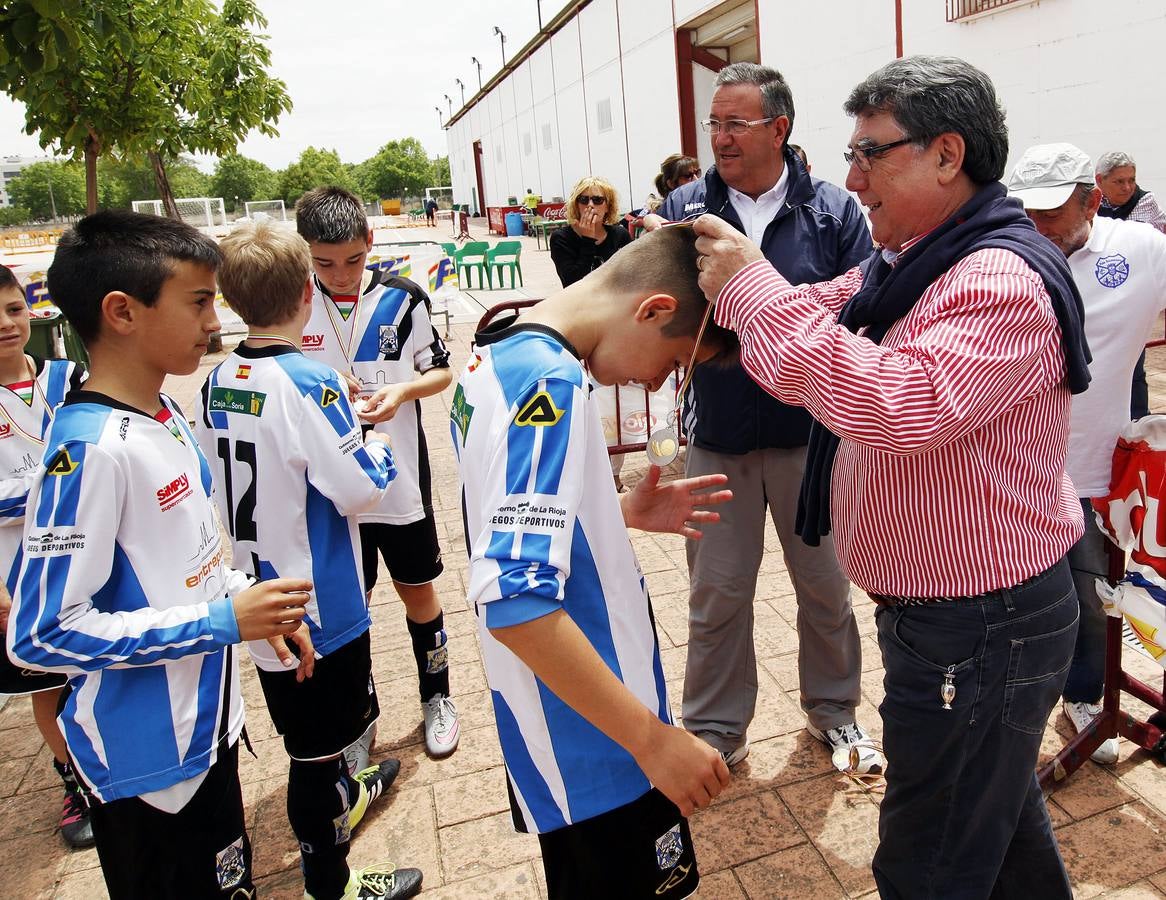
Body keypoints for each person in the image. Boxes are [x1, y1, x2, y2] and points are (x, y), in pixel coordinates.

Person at [692, 55, 1090, 898]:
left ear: (948, 155)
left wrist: (753, 291)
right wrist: (738, 298)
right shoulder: (913, 259)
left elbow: (899, 404)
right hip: (954, 626)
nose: (852, 177)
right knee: (997, 832)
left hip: (981, 628)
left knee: (928, 861)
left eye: (872, 153)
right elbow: (817, 305)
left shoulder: (995, 280)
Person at [6, 210, 316, 899]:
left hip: (206, 732)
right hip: (149, 769)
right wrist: (222, 622)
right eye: (200, 301)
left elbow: (190, 557)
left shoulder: (164, 412)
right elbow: (42, 632)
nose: (216, 320)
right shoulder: (88, 449)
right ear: (122, 312)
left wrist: (249, 602)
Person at [452, 224, 734, 899]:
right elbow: (515, 602)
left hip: (570, 724)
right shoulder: (550, 384)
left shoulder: (502, 352)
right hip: (597, 743)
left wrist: (610, 514)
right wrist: (653, 741)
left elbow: (503, 511)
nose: (658, 381)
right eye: (673, 365)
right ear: (654, 309)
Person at [644, 61, 878, 774]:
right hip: (717, 435)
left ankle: (834, 713)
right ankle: (716, 729)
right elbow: (657, 313)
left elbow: (861, 309)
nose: (720, 137)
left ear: (779, 128)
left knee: (826, 588)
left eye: (735, 123)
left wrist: (770, 316)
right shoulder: (685, 209)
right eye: (713, 123)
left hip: (812, 438)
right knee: (716, 593)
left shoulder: (835, 212)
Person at [195, 221, 423, 900]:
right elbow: (357, 486)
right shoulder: (311, 381)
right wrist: (372, 440)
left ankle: (348, 792)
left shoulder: (217, 379)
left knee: (310, 736)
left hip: (256, 594)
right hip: (316, 603)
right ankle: (334, 882)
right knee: (315, 754)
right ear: (305, 290)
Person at [1008, 142, 1166, 766]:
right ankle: (1019, 696)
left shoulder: (1140, 251)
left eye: (1050, 212)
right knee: (1018, 592)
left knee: (1096, 590)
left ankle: (1086, 695)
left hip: (1096, 465)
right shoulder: (1000, 253)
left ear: (1093, 200)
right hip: (1007, 467)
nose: (1037, 226)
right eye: (1026, 211)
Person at [295, 187, 460, 763]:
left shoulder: (403, 298)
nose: (340, 275)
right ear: (305, 253)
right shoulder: (294, 304)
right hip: (331, 494)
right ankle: (360, 717)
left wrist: (403, 391)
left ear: (371, 241)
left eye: (352, 260)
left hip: (398, 484)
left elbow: (439, 373)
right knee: (348, 607)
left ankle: (437, 694)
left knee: (417, 590)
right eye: (324, 263)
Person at [0, 266, 92, 850]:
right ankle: (75, 784)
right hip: (17, 575)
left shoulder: (68, 379)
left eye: (12, 309)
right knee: (49, 685)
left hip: (84, 558)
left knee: (98, 668)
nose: (6, 326)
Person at [1094, 150, 1166, 420]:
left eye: (1131, 180)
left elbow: (1139, 244)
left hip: (1130, 291)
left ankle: (1139, 423)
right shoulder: (1089, 201)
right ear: (1100, 180)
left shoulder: (1144, 201)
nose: (1127, 187)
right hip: (1098, 291)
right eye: (1119, 181)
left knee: (1134, 362)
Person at [550, 176, 631, 288]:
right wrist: (588, 240)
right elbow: (571, 282)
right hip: (580, 303)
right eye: (584, 200)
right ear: (576, 205)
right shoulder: (561, 238)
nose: (590, 205)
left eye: (598, 200)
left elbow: (632, 275)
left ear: (608, 206)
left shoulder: (620, 235)